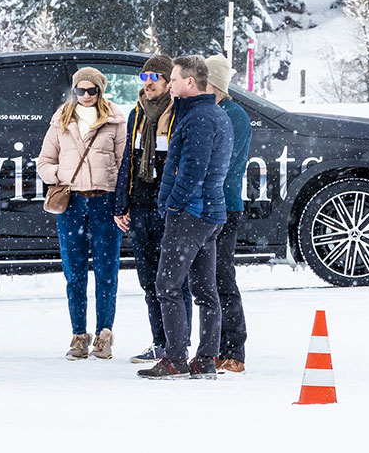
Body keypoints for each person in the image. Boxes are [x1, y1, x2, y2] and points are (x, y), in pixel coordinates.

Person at [139, 55, 233, 380]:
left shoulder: (199, 119)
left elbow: (192, 171)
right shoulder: (214, 114)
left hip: (191, 214)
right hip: (209, 213)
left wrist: (173, 204)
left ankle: (175, 358)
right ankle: (206, 358)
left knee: (167, 285)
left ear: (190, 83)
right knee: (206, 289)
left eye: (175, 79)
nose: (171, 84)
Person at [37, 67, 127, 361]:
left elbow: (123, 162)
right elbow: (44, 161)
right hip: (71, 204)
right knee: (74, 274)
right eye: (81, 91)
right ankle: (78, 335)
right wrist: (60, 175)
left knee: (106, 273)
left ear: (101, 92)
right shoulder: (61, 120)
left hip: (104, 203)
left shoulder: (115, 120)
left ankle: (104, 334)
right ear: (74, 91)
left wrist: (119, 199)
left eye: (92, 91)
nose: (86, 96)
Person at [114, 54, 191, 363]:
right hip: (141, 207)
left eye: (153, 78)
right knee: (149, 281)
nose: (147, 84)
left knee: (173, 281)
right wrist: (122, 203)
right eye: (143, 79)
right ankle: (160, 341)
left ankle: (178, 345)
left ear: (166, 81)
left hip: (168, 208)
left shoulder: (179, 115)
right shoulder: (136, 115)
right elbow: (127, 163)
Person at [205, 54, 252, 374]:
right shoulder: (210, 111)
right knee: (206, 280)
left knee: (222, 276)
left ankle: (234, 347)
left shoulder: (233, 115)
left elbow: (222, 162)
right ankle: (214, 346)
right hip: (206, 206)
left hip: (224, 205)